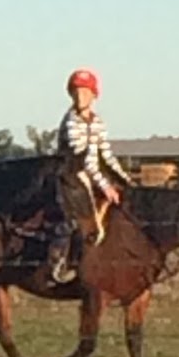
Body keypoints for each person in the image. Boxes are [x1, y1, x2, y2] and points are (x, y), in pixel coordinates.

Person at [51, 68, 131, 282]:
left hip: (93, 173)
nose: (80, 97)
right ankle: (62, 262)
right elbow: (83, 161)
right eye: (76, 92)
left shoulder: (98, 122)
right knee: (81, 217)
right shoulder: (71, 121)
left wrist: (126, 180)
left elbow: (106, 154)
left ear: (94, 96)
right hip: (72, 174)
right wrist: (105, 186)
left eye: (85, 92)